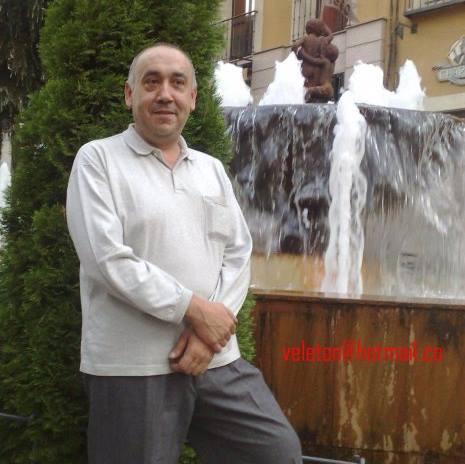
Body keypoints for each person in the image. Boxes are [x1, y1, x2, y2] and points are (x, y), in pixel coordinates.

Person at [66, 42, 302, 464]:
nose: (165, 94)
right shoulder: (98, 160)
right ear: (129, 94)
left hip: (215, 359)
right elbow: (107, 260)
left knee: (276, 452)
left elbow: (238, 251)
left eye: (177, 83)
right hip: (133, 367)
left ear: (192, 98)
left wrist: (211, 331)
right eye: (151, 82)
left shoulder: (210, 168)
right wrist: (193, 310)